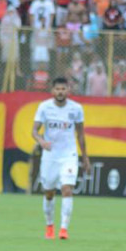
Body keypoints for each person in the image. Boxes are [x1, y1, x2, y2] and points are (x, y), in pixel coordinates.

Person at [31, 77, 90, 240]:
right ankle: (49, 225)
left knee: (67, 189)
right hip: (50, 156)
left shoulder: (76, 108)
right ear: (52, 91)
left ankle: (64, 228)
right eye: (57, 89)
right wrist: (41, 141)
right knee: (49, 192)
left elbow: (80, 134)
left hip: (68, 155)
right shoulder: (44, 107)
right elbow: (34, 131)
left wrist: (85, 157)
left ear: (68, 91)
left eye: (63, 89)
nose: (60, 92)